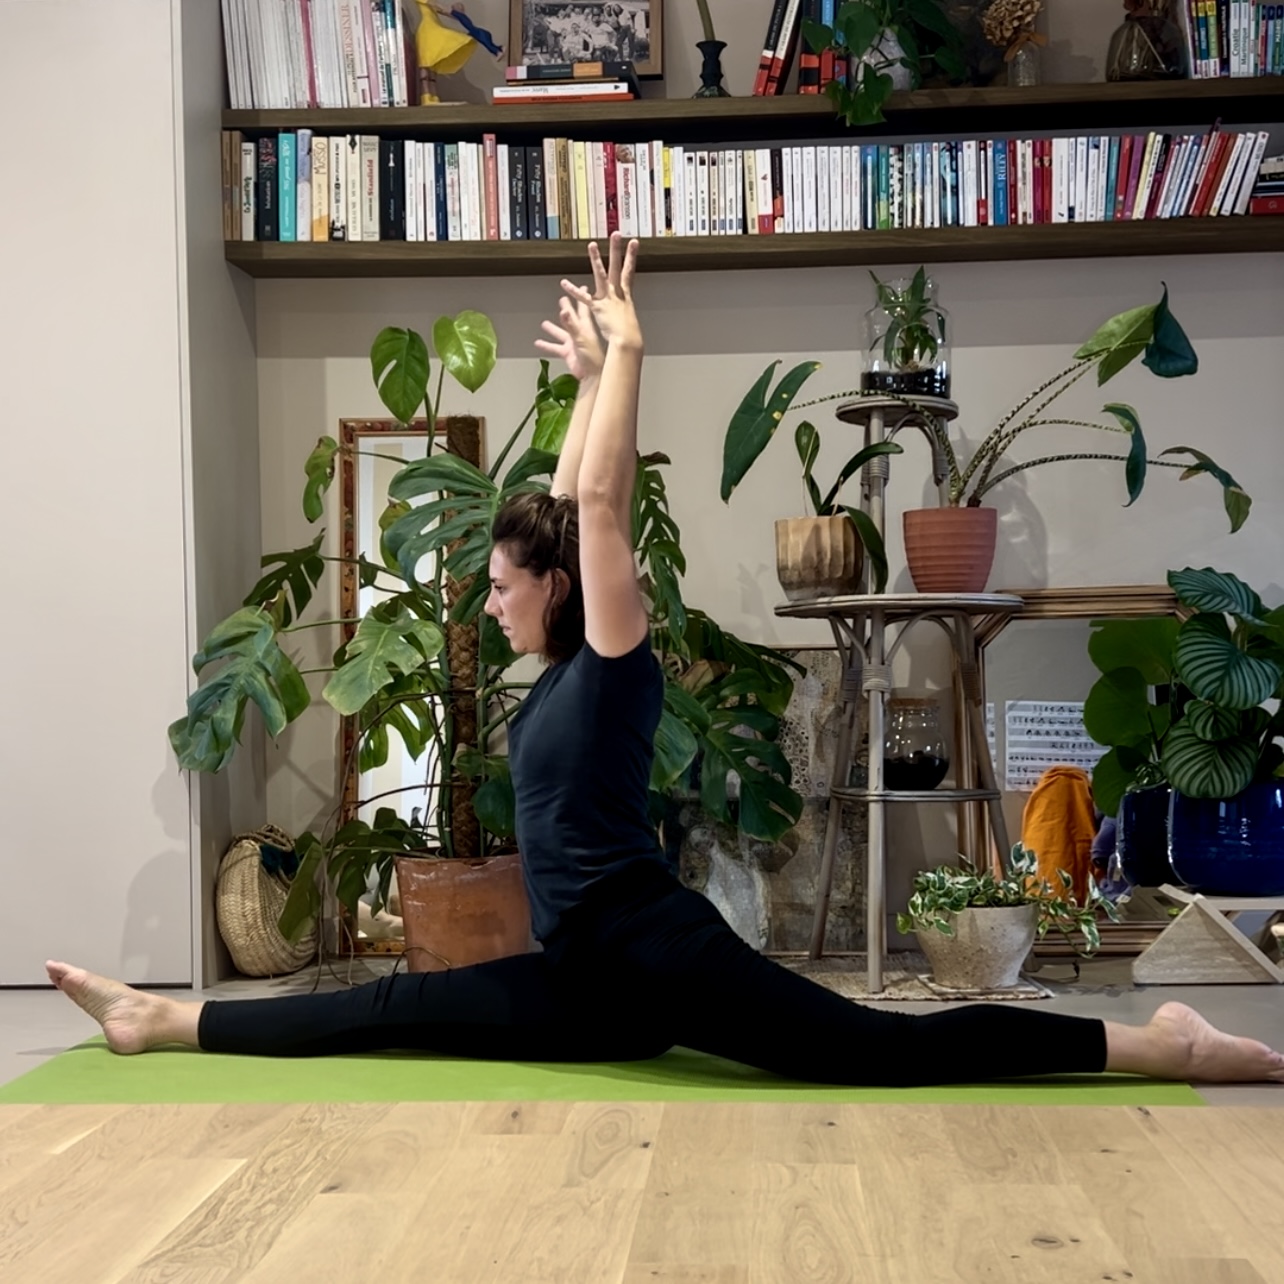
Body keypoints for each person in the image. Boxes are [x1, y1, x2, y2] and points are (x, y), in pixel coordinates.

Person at [46, 234, 1284, 1088]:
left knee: (869, 1050)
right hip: (586, 975)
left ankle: (1155, 1042)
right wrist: (584, 377)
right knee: (391, 1008)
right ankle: (161, 1018)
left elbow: (596, 511)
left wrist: (630, 359)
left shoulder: (614, 658)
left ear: (557, 592)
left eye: (498, 585)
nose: (486, 602)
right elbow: (564, 495)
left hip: (654, 953)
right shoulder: (559, 672)